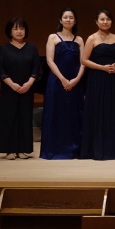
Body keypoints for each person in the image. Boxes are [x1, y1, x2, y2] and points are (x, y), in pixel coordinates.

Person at [40, 8, 85, 160]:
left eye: (71, 17)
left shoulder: (79, 40)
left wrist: (76, 79)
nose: (68, 20)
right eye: (65, 17)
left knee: (75, 114)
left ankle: (75, 150)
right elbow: (49, 61)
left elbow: (83, 62)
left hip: (75, 82)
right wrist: (63, 79)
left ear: (75, 21)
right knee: (56, 113)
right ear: (60, 20)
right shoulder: (53, 37)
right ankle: (55, 150)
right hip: (56, 81)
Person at [80, 9, 115, 161]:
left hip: (113, 78)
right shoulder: (92, 38)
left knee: (111, 110)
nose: (105, 22)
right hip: (97, 78)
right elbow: (84, 60)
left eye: (108, 19)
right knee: (97, 110)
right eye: (102, 19)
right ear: (96, 22)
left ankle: (112, 148)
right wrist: (103, 68)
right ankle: (96, 148)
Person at [0, 17, 40, 160]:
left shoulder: (32, 48)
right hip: (9, 89)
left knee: (25, 118)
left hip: (27, 89)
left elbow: (36, 68)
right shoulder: (4, 49)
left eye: (21, 28)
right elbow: (1, 70)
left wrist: (29, 83)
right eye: (15, 29)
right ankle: (9, 150)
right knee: (9, 118)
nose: (19, 31)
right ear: (10, 31)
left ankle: (22, 149)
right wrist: (12, 84)